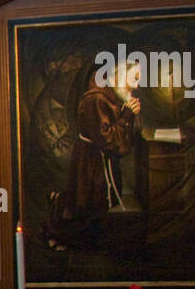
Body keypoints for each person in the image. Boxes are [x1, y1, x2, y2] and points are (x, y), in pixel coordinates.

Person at [45, 58, 143, 250]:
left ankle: (84, 236)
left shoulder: (112, 95)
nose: (137, 85)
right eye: (135, 78)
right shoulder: (96, 99)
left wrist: (128, 113)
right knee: (83, 203)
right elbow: (106, 138)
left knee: (90, 202)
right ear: (119, 76)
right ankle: (57, 230)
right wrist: (127, 116)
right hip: (90, 159)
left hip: (99, 157)